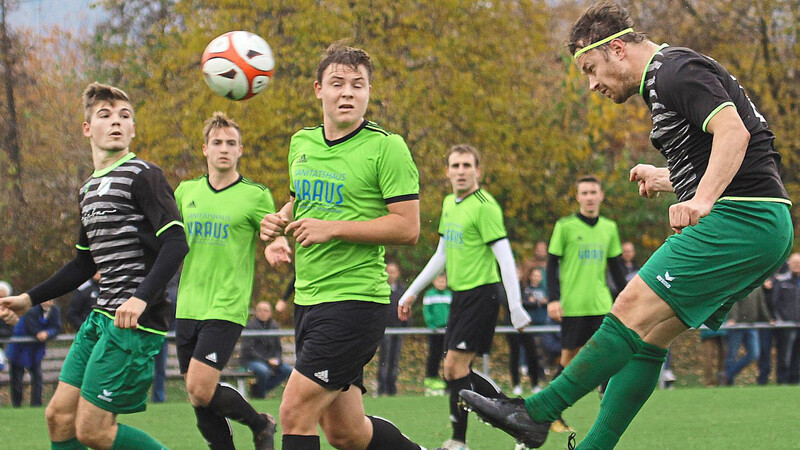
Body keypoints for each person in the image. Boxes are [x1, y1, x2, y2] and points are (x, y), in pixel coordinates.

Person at [459, 2, 794, 448]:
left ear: (617, 49)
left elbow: (735, 134)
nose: (593, 83)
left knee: (631, 305)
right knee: (650, 336)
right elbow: (741, 157)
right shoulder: (666, 79)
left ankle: (536, 413)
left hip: (743, 219)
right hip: (761, 222)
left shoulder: (671, 71)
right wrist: (672, 179)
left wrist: (701, 198)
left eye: (591, 69)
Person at [0, 82, 189, 449]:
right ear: (88, 128)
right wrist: (28, 298)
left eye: (124, 116)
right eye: (105, 115)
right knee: (58, 419)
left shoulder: (144, 175)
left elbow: (176, 242)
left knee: (94, 431)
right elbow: (83, 264)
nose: (116, 122)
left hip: (134, 323)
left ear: (133, 128)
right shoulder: (87, 189)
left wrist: (141, 298)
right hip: (101, 319)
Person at [260, 42, 424, 450]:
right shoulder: (302, 143)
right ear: (319, 90)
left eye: (357, 84)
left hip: (355, 300)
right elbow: (306, 200)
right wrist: (280, 222)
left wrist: (333, 229)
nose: (347, 92)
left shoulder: (387, 147)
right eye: (337, 83)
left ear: (369, 92)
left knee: (294, 412)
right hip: (309, 300)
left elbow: (407, 227)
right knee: (347, 433)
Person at [399, 144, 531, 450]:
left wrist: (515, 306)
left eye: (467, 166)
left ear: (477, 171)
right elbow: (441, 254)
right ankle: (521, 417)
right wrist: (411, 292)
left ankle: (459, 441)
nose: (461, 171)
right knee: (454, 370)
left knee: (455, 369)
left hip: (482, 295)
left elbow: (506, 258)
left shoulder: (485, 206)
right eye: (455, 166)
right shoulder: (449, 203)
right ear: (447, 172)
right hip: (461, 297)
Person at [173, 111, 277, 449]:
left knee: (201, 387)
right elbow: (167, 239)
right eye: (217, 142)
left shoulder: (255, 195)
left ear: (240, 150)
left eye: (231, 143)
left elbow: (272, 231)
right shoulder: (186, 192)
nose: (224, 148)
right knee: (196, 396)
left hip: (226, 304)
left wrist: (276, 245)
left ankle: (260, 423)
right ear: (204, 149)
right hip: (188, 303)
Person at [7, 300, 62, 407]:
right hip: (19, 348)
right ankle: (16, 406)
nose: (47, 303)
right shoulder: (31, 309)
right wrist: (39, 333)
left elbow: (56, 327)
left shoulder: (55, 310)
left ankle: (36, 405)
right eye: (46, 300)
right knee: (17, 380)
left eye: (51, 300)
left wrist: (48, 333)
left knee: (37, 378)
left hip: (35, 350)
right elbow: (30, 327)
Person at [723, 280, 772, 385]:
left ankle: (727, 375)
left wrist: (768, 319)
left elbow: (761, 304)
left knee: (754, 353)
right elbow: (733, 302)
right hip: (737, 325)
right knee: (732, 355)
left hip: (751, 325)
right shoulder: (738, 284)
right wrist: (733, 318)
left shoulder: (757, 287)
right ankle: (728, 382)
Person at [242, 301, 292, 398]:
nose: (262, 313)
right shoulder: (250, 326)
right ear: (256, 312)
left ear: (270, 313)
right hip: (252, 361)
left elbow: (278, 348)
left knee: (287, 370)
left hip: (271, 361)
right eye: (260, 310)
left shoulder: (274, 326)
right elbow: (249, 350)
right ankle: (260, 395)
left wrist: (277, 360)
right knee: (263, 371)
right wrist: (267, 361)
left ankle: (257, 390)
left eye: (265, 311)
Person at [508, 266, 545, 396]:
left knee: (532, 354)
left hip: (526, 326)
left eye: (519, 272)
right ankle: (516, 384)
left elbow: (528, 302)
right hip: (511, 327)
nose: (517, 274)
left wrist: (531, 302)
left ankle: (534, 384)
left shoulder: (525, 288)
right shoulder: (507, 288)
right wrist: (530, 302)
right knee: (515, 355)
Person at [377, 260, 408, 396]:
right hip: (384, 330)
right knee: (384, 359)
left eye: (393, 272)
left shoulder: (402, 290)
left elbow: (407, 309)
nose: (391, 275)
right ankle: (381, 388)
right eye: (388, 272)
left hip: (398, 330)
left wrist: (406, 325)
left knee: (394, 360)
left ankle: (392, 389)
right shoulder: (381, 289)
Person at [770, 253, 800, 384]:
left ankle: (795, 380)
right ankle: (782, 381)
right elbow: (775, 302)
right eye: (795, 264)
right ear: (790, 264)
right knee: (784, 356)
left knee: (797, 356)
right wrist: (780, 319)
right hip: (787, 325)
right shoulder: (782, 280)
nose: (797, 266)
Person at [422, 272, 451, 396]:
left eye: (443, 281)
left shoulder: (449, 295)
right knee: (434, 354)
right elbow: (427, 311)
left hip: (447, 330)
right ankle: (431, 378)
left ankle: (448, 381)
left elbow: (453, 311)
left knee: (448, 356)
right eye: (439, 281)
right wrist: (431, 324)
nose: (441, 283)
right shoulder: (429, 295)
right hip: (435, 330)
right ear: (434, 282)